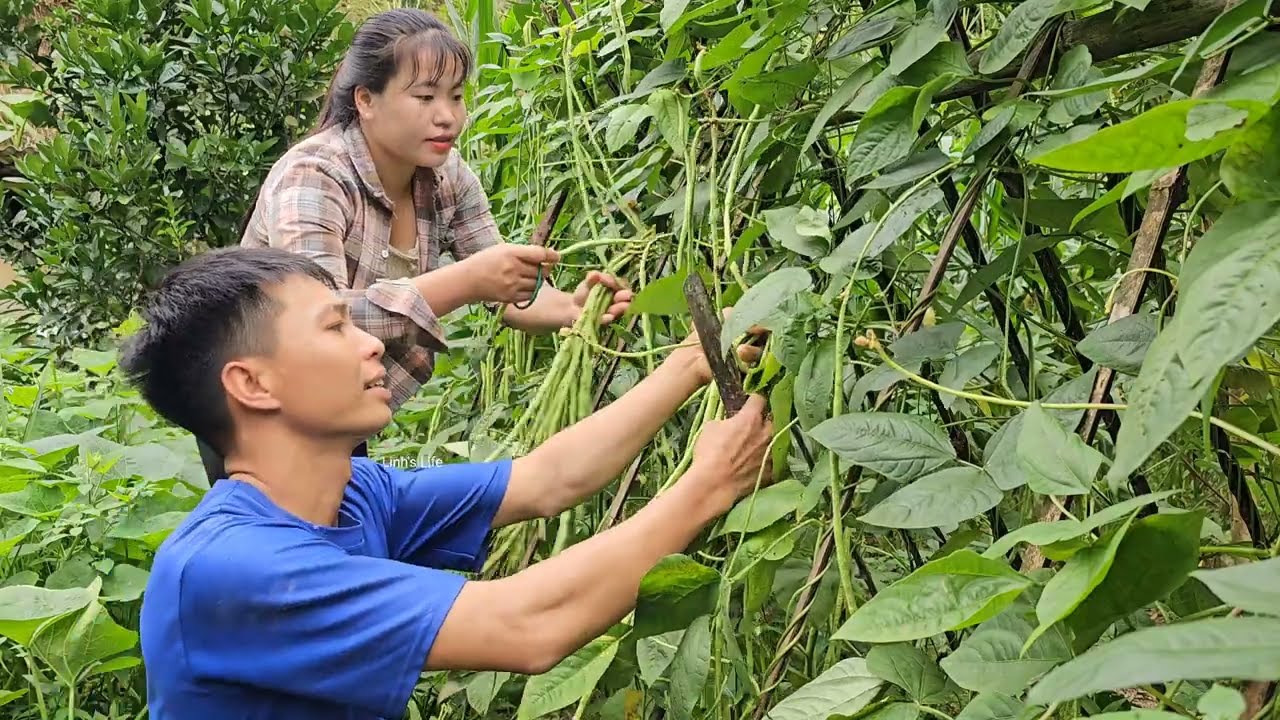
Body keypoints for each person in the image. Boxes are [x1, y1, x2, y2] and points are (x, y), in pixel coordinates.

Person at [121, 246, 774, 720]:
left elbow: (546, 479)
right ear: (252, 384)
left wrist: (690, 363)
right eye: (335, 326)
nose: (372, 344)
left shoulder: (354, 492)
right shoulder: (230, 568)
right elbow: (527, 627)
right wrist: (709, 485)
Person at [205, 8, 634, 482]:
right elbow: (318, 321)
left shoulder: (448, 177)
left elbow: (508, 293)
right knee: (291, 540)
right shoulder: (315, 175)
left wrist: (571, 308)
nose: (447, 116)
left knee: (347, 526)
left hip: (338, 400)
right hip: (259, 406)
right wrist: (468, 282)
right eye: (425, 96)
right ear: (366, 100)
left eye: (455, 96)